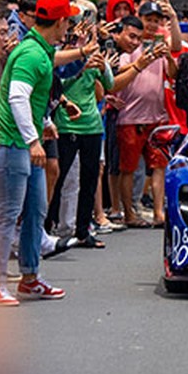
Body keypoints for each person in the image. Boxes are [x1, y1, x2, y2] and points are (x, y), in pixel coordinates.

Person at [0, 0, 77, 306]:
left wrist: (44, 124)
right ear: (61, 20)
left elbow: (28, 99)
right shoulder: (31, 54)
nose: (70, 26)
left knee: (35, 212)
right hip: (13, 145)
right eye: (69, 20)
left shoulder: (39, 49)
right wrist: (33, 139)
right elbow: (17, 97)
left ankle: (30, 277)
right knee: (7, 215)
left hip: (23, 143)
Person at [110, 6, 176, 228]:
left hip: (157, 117)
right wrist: (141, 61)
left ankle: (159, 213)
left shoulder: (160, 47)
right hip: (130, 118)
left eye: (157, 20)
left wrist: (167, 56)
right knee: (128, 168)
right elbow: (115, 76)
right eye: (149, 19)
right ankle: (128, 212)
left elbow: (173, 74)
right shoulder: (128, 48)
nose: (152, 24)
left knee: (159, 165)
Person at [46, 44, 113, 247]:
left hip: (92, 125)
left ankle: (83, 231)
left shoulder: (95, 56)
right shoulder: (63, 58)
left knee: (90, 179)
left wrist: (103, 68)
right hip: (67, 125)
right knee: (58, 177)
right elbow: (58, 87)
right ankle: (48, 227)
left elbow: (109, 84)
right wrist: (80, 68)